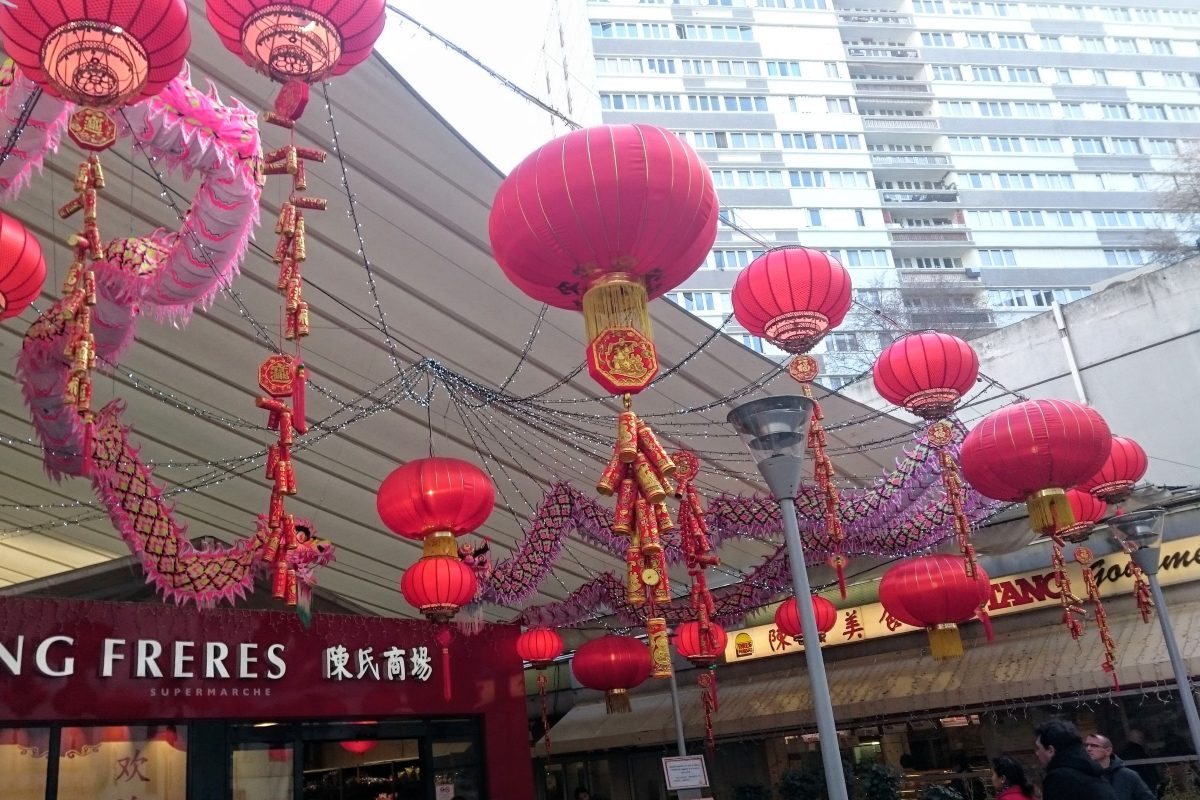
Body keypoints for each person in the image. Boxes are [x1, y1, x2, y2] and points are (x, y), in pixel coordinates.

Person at [1034, 719, 1118, 800]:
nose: (1036, 753)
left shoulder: (1059, 779)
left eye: (1038, 748)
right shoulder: (1095, 774)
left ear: (1050, 750)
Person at [1086, 734, 1156, 800]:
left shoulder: (1128, 776)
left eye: (1094, 745)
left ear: (1108, 751)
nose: (1088, 749)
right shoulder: (1084, 777)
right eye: (1086, 745)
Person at [1118, 727, 1160, 795]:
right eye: (1143, 738)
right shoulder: (1142, 756)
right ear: (1141, 739)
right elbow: (1152, 777)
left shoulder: (1120, 756)